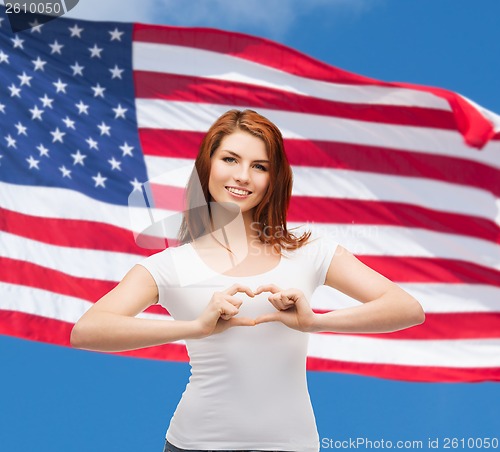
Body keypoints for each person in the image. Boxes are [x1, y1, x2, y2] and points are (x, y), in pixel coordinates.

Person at [70, 109, 425, 452]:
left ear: (275, 179)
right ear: (207, 166)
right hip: (194, 444)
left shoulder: (310, 250)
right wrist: (196, 328)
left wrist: (315, 322)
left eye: (259, 166)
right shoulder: (170, 266)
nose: (242, 176)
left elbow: (406, 308)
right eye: (230, 159)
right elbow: (87, 331)